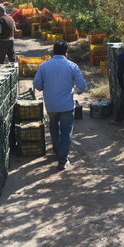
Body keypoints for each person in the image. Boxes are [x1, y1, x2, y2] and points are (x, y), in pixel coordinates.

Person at [33, 41, 87, 171]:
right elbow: (82, 86)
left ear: (53, 51)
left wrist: (45, 88)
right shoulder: (72, 66)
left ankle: (57, 152)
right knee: (66, 132)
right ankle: (62, 160)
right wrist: (78, 91)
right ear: (66, 52)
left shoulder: (44, 66)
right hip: (66, 105)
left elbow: (37, 84)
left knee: (53, 127)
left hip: (51, 105)